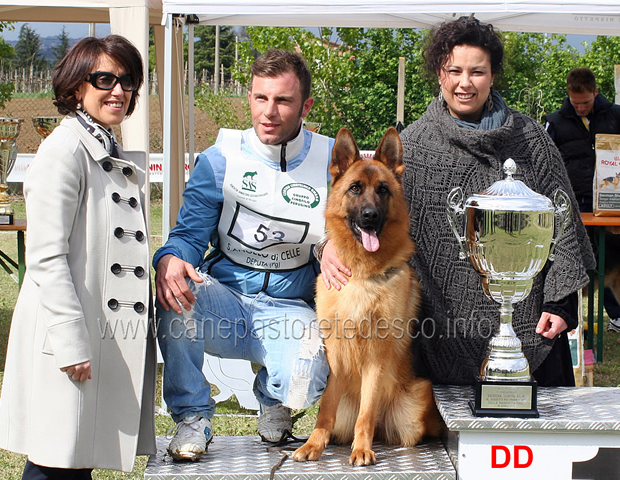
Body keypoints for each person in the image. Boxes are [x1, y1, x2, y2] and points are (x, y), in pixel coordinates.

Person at [321, 17, 595, 387]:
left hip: (533, 324)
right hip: (438, 333)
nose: (465, 83)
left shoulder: (531, 140)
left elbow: (563, 223)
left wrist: (560, 305)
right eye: (454, 70)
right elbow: (373, 223)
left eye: (477, 72)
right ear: (439, 73)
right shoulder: (414, 147)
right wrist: (329, 246)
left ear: (493, 75)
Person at [154, 49, 332, 461]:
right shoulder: (220, 159)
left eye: (283, 101)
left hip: (289, 307)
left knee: (306, 374)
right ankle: (193, 417)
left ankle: (276, 400)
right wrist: (169, 259)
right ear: (249, 98)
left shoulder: (328, 163)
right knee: (174, 293)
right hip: (227, 302)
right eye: (260, 98)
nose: (268, 112)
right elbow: (188, 235)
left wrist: (335, 244)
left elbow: (343, 230)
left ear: (305, 105)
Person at [0, 35, 156, 478]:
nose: (119, 91)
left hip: (99, 334)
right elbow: (47, 258)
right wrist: (70, 341)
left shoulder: (104, 146)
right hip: (70, 336)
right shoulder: (64, 150)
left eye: (127, 81)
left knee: (74, 457)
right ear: (75, 87)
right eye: (104, 78)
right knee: (56, 460)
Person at [545, 67, 620, 332]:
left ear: (596, 92)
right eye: (575, 103)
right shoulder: (554, 122)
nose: (580, 108)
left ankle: (616, 316)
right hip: (573, 205)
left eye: (586, 102)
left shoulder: (616, 116)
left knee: (612, 260)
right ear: (568, 94)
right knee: (576, 262)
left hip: (612, 206)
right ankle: (571, 320)